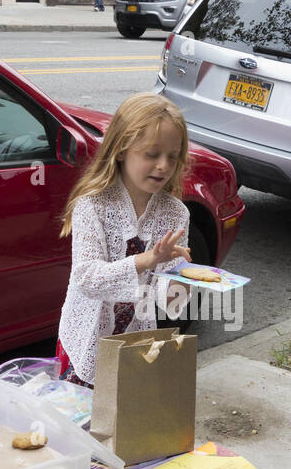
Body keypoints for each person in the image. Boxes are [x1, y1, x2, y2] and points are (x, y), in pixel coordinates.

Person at [56, 93, 192, 387]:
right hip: (84, 342)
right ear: (121, 150)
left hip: (134, 342)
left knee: (123, 424)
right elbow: (87, 278)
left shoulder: (175, 214)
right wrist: (148, 260)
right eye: (151, 154)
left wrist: (184, 285)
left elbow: (169, 301)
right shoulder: (93, 206)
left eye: (172, 156)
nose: (163, 166)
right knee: (80, 426)